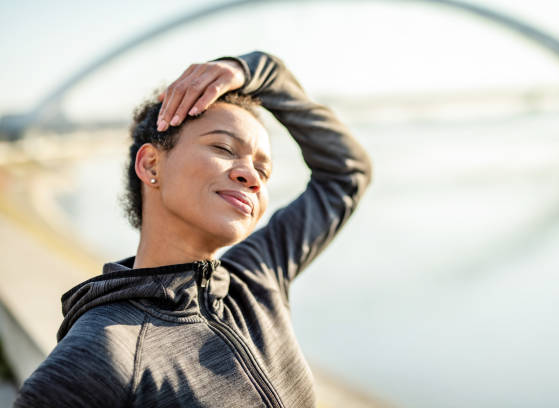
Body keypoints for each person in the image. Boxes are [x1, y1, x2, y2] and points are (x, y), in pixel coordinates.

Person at [14, 50, 371, 407]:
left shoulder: (259, 278)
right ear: (151, 164)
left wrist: (256, 72)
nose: (250, 176)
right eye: (223, 147)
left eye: (263, 170)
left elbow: (347, 173)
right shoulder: (106, 346)